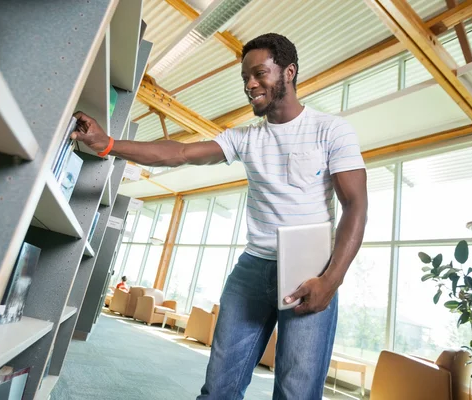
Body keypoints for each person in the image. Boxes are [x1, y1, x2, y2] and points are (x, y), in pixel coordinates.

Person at [71, 33, 367, 400]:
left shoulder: (331, 130)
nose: (250, 85)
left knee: (296, 393)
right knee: (218, 391)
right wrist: (109, 145)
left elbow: (356, 206)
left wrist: (331, 281)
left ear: (289, 72)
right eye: (245, 78)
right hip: (252, 270)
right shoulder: (245, 138)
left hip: (311, 272)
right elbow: (177, 153)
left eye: (259, 74)